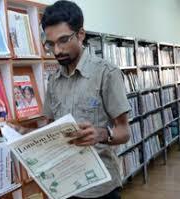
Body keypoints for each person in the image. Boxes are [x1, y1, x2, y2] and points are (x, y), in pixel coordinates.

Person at [11, 1, 130, 198]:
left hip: (100, 188)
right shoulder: (54, 80)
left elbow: (124, 132)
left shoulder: (106, 73)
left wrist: (102, 134)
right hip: (64, 184)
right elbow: (50, 129)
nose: (56, 51)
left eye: (63, 40)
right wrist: (27, 134)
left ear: (81, 35)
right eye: (50, 44)